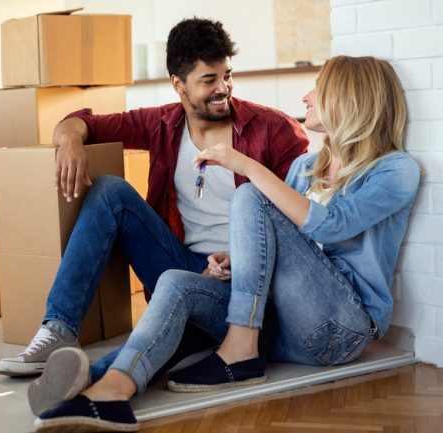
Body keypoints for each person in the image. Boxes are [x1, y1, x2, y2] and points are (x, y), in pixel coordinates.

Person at [32, 55, 421, 433]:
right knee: (176, 282)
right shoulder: (307, 167)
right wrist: (237, 260)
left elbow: (331, 225)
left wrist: (248, 166)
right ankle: (109, 390)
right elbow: (288, 243)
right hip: (281, 327)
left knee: (251, 196)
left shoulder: (395, 169)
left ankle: (238, 351)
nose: (306, 96)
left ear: (349, 98)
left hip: (341, 329)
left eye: (318, 89)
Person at [0, 17, 309, 387]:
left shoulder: (274, 130)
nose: (222, 88)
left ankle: (88, 381)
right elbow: (81, 121)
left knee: (165, 342)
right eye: (209, 80)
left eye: (227, 75)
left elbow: (298, 227)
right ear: (178, 84)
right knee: (110, 191)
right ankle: (58, 329)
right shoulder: (163, 123)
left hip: (246, 284)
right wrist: (70, 141)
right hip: (182, 268)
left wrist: (238, 262)